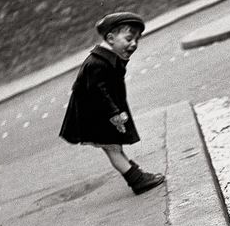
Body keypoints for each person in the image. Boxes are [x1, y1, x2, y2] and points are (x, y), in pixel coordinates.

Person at [59, 11, 165, 195]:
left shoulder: (108, 59)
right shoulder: (97, 63)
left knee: (114, 147)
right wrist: (114, 113)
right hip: (98, 116)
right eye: (129, 38)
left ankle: (135, 173)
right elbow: (99, 92)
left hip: (101, 113)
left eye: (137, 40)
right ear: (110, 38)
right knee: (112, 149)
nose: (134, 44)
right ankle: (137, 180)